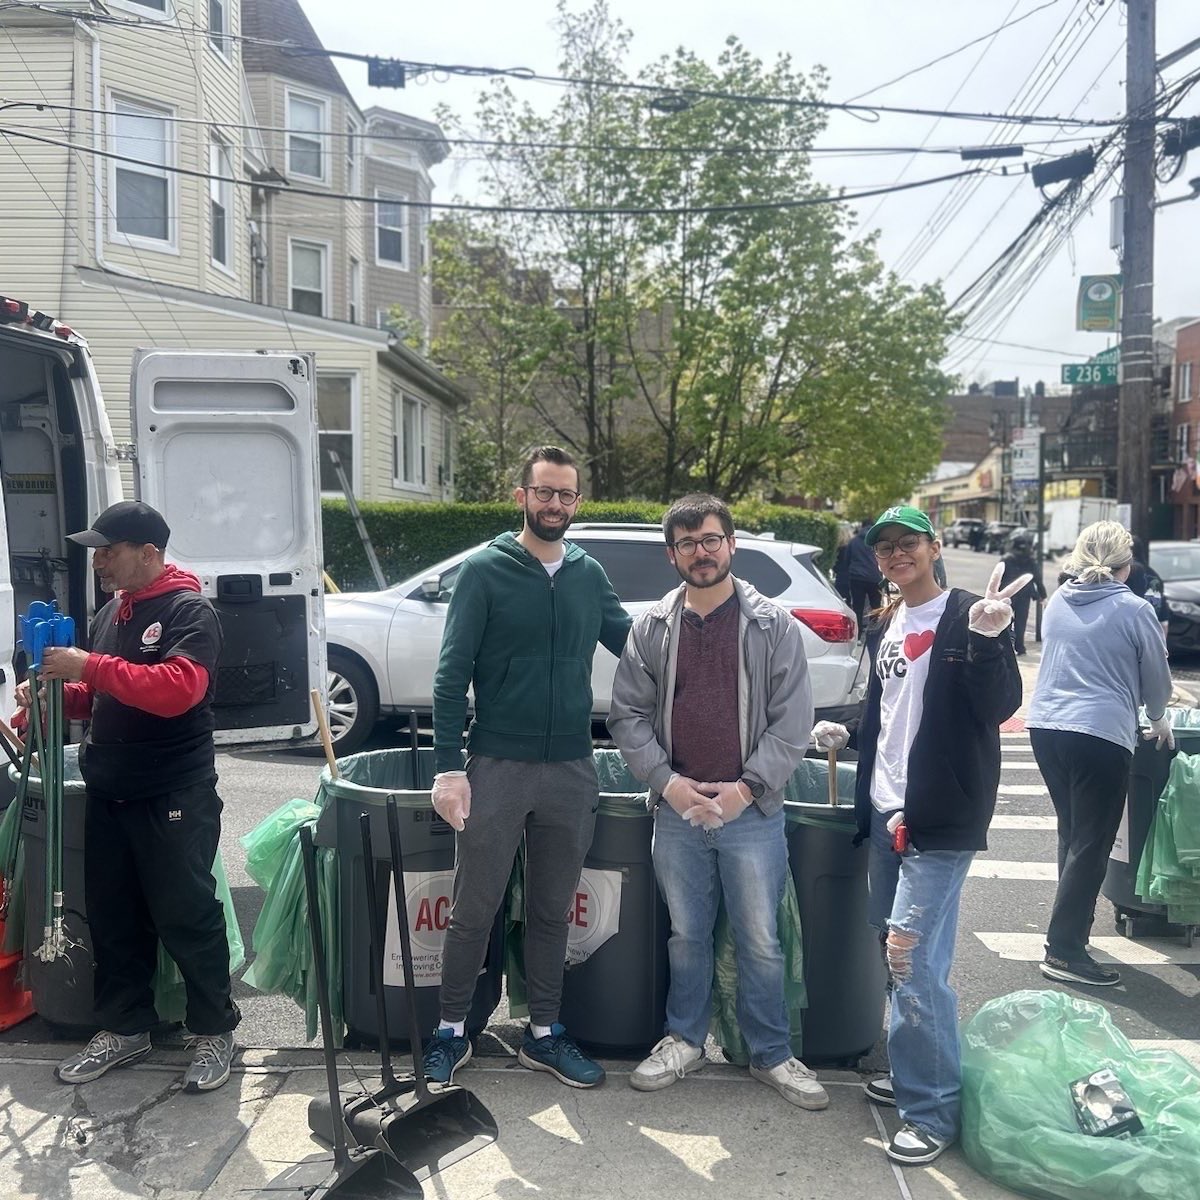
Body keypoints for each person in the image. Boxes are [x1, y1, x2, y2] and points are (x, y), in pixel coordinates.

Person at [811, 504, 1023, 1165]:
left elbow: (1000, 707)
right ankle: (913, 1075)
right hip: (883, 810)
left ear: (935, 547)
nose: (897, 554)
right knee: (896, 953)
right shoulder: (890, 620)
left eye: (909, 543)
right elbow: (891, 707)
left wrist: (991, 641)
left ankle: (931, 1112)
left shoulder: (964, 615)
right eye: (885, 548)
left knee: (912, 961)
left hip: (938, 817)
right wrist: (849, 728)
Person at [608, 494, 826, 1110]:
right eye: (686, 544)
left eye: (710, 540)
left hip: (751, 812)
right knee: (687, 934)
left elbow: (793, 720)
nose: (700, 554)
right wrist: (671, 786)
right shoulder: (651, 627)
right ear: (671, 554)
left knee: (759, 938)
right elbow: (628, 716)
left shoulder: (771, 624)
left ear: (730, 544)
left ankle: (770, 1053)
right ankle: (685, 1040)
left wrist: (745, 790)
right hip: (677, 810)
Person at [12, 501, 238, 1092]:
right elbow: (105, 694)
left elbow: (178, 690)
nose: (100, 561)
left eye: (109, 550)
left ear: (150, 553)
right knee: (113, 915)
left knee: (184, 914)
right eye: (97, 551)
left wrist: (89, 664)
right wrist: (56, 699)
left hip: (171, 789)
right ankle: (126, 1027)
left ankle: (215, 1033)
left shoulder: (189, 610)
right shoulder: (115, 610)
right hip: (108, 786)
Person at [424, 446, 630, 1088]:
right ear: (522, 496)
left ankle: (545, 1032)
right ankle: (451, 1031)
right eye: (545, 492)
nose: (556, 505)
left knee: (550, 911)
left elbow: (641, 650)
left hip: (571, 766)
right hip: (497, 765)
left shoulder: (588, 575)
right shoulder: (485, 571)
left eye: (567, 495)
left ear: (577, 502)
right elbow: (451, 676)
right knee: (473, 906)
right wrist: (448, 768)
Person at [1028, 521, 1173, 988]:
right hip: (1099, 733)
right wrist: (1157, 715)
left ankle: (1071, 934)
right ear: (1125, 565)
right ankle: (1065, 949)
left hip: (1047, 727)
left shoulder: (1057, 602)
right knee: (1092, 842)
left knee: (1074, 834)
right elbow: (1157, 678)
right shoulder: (1133, 609)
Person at [999, 536, 1046, 655]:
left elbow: (999, 576)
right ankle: (1020, 647)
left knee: (1005, 620)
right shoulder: (1030, 560)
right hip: (1024, 593)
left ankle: (1006, 646)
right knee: (1021, 622)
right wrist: (1042, 595)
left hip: (1007, 593)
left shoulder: (1006, 559)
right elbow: (1038, 579)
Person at [1128, 536, 1170, 644]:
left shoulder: (1127, 573)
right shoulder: (1153, 575)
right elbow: (1163, 617)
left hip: (1130, 635)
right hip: (1152, 634)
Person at [846, 522, 884, 635]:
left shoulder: (853, 541)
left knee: (858, 607)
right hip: (874, 577)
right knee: (876, 607)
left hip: (857, 578)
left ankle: (858, 635)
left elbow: (847, 559)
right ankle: (875, 632)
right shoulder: (875, 541)